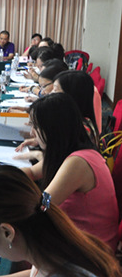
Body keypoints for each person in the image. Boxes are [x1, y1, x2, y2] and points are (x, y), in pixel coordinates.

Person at [22, 94, 119, 250]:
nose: (33, 133)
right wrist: (0, 176)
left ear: (54, 128)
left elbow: (43, 205)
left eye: (36, 126)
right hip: (76, 238)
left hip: (91, 251)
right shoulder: (67, 149)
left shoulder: (78, 162)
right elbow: (32, 172)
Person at [53, 70, 101, 141]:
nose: (51, 93)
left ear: (72, 96)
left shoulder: (80, 130)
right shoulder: (70, 117)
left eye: (55, 90)